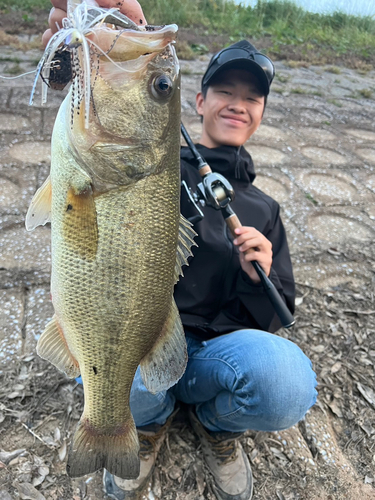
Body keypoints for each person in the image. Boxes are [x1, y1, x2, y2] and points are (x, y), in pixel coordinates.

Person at [43, 2, 317, 499]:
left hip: (215, 356)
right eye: (225, 92)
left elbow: (276, 316)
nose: (238, 103)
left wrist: (262, 278)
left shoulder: (265, 209)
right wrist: (87, 53)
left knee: (288, 379)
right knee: (117, 378)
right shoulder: (162, 165)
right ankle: (143, 426)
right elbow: (97, 95)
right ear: (198, 101)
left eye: (252, 97)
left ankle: (216, 424)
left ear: (261, 114)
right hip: (146, 349)